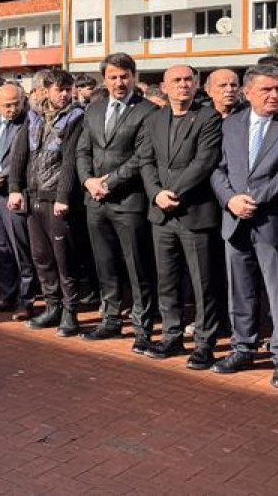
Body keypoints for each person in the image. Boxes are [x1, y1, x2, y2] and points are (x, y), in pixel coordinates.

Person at [210, 64, 278, 388]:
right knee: (240, 291)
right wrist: (229, 200)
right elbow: (218, 169)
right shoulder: (232, 124)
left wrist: (251, 198)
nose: (275, 95)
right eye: (266, 89)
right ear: (248, 93)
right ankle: (242, 348)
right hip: (235, 221)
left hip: (274, 223)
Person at [137, 64, 225, 367]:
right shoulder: (154, 119)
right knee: (167, 280)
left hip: (194, 212)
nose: (183, 85)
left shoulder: (208, 117)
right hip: (161, 214)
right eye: (177, 80)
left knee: (203, 283)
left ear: (197, 84)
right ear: (164, 85)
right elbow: (145, 161)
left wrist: (172, 192)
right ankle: (171, 336)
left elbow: (204, 161)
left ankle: (204, 343)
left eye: (188, 80)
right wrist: (156, 194)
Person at [75, 53, 159, 349]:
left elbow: (141, 157)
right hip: (95, 202)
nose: (119, 82)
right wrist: (88, 181)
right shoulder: (94, 109)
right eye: (113, 77)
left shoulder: (148, 111)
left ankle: (142, 327)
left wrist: (108, 182)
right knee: (105, 264)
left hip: (129, 201)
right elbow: (83, 150)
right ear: (104, 79)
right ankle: (110, 319)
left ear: (134, 77)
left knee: (137, 267)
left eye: (124, 76)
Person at [9, 68, 86, 337]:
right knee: (41, 257)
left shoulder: (76, 117)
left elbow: (71, 162)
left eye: (68, 89)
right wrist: (15, 188)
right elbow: (20, 154)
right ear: (46, 91)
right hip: (33, 196)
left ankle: (70, 311)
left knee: (64, 258)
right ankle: (52, 306)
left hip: (57, 198)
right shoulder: (33, 116)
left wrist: (63, 197)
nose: (64, 94)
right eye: (58, 89)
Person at [0, 82, 40, 318]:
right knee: (0, 247)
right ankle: (8, 295)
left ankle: (27, 300)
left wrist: (2, 178)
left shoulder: (29, 123)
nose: (12, 109)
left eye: (17, 104)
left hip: (15, 193)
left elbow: (27, 161)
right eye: (7, 106)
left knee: (20, 249)